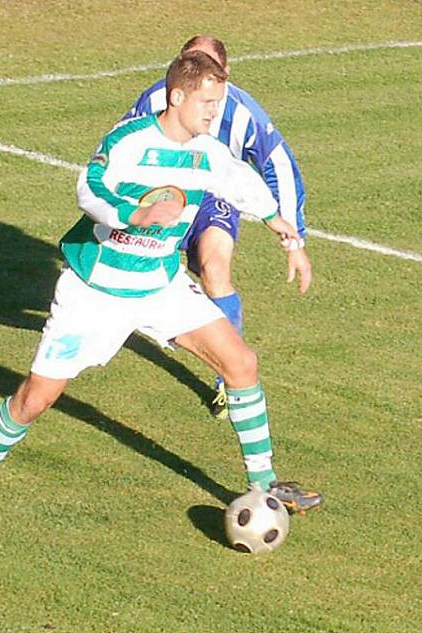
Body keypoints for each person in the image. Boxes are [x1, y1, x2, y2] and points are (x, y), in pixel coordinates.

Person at [0, 51, 323, 521]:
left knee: (241, 363)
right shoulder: (129, 140)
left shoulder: (207, 151)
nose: (214, 113)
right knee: (37, 398)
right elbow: (90, 188)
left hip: (160, 285)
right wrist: (135, 214)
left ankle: (264, 485)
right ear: (177, 96)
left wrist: (287, 235)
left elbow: (241, 183)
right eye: (207, 103)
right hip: (95, 293)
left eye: (219, 104)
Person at [123, 35, 313, 419]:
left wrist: (294, 239)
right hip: (166, 190)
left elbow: (279, 166)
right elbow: (122, 152)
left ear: (224, 75)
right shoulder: (157, 99)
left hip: (214, 196)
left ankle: (230, 379)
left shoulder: (244, 114)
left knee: (215, 268)